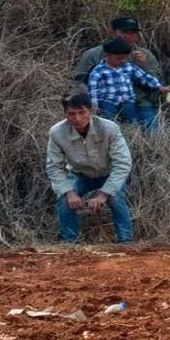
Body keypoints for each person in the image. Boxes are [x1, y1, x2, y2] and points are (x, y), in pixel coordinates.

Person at [45, 93, 134, 243]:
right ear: (65, 114)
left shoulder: (109, 128)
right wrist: (69, 192)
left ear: (92, 111)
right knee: (64, 199)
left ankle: (126, 241)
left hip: (109, 172)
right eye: (71, 114)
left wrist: (103, 194)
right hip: (80, 174)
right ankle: (70, 242)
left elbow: (123, 164)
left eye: (82, 112)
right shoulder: (57, 132)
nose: (77, 118)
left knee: (114, 198)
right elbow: (54, 167)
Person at [74, 16, 166, 129]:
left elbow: (156, 82)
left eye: (133, 32)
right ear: (113, 33)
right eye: (124, 32)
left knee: (155, 133)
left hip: (139, 103)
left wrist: (143, 66)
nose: (128, 36)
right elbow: (78, 81)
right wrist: (90, 103)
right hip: (105, 103)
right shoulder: (93, 54)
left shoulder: (145, 54)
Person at [87, 38, 170, 127]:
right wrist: (94, 105)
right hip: (108, 101)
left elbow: (145, 77)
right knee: (107, 121)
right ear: (106, 56)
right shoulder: (98, 70)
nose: (122, 61)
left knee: (132, 121)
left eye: (124, 58)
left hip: (127, 101)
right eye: (118, 58)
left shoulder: (128, 67)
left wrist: (160, 87)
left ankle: (133, 133)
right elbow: (93, 90)